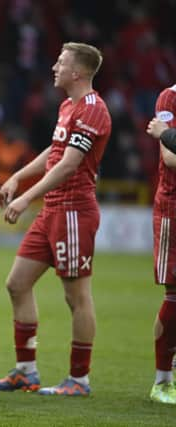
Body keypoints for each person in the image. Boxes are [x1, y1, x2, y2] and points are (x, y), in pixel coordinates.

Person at [0, 42, 111, 396]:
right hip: (53, 208)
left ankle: (79, 380)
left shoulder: (93, 110)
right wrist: (17, 177)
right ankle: (26, 372)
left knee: (76, 296)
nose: (54, 67)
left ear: (79, 72)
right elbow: (54, 151)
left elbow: (71, 163)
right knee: (17, 283)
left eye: (60, 62)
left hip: (73, 210)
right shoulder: (68, 106)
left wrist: (26, 197)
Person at [145, 83, 176, 405]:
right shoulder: (170, 98)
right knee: (174, 294)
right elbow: (170, 159)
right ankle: (163, 381)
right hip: (174, 207)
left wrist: (167, 132)